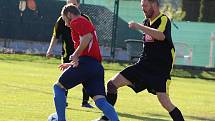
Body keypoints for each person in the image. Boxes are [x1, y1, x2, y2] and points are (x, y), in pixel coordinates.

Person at [96, 0, 184, 121]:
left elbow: (160, 35)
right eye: (142, 6)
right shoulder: (146, 22)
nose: (143, 9)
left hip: (159, 71)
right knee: (111, 84)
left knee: (165, 101)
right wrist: (143, 26)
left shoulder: (163, 19)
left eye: (145, 6)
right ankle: (106, 118)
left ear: (154, 5)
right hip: (143, 66)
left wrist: (139, 26)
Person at [52, 4, 119, 121]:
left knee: (58, 88)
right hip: (96, 67)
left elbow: (87, 37)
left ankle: (60, 119)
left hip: (87, 64)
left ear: (69, 15)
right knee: (100, 101)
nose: (65, 23)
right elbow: (89, 47)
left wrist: (75, 54)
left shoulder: (76, 21)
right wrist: (72, 62)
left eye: (64, 19)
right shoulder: (84, 21)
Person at [46, 0, 93, 108]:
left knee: (86, 79)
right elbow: (55, 35)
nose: (70, 6)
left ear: (78, 5)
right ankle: (63, 101)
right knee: (64, 79)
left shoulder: (83, 19)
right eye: (68, 3)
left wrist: (79, 53)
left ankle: (85, 101)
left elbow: (89, 36)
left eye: (73, 4)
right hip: (68, 54)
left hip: (83, 55)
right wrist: (50, 49)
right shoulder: (62, 19)